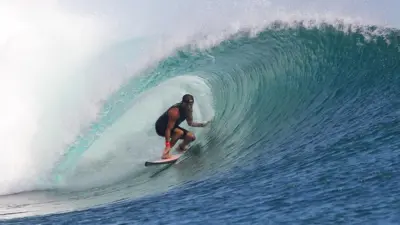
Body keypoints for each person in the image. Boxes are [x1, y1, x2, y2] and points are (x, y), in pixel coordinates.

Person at [155, 94, 210, 159]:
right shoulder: (175, 112)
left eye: (191, 104)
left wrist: (201, 125)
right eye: (187, 104)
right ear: (183, 103)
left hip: (172, 127)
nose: (189, 106)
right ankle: (165, 153)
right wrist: (167, 145)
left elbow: (190, 123)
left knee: (191, 137)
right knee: (179, 132)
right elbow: (168, 129)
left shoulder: (189, 110)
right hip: (160, 127)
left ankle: (181, 147)